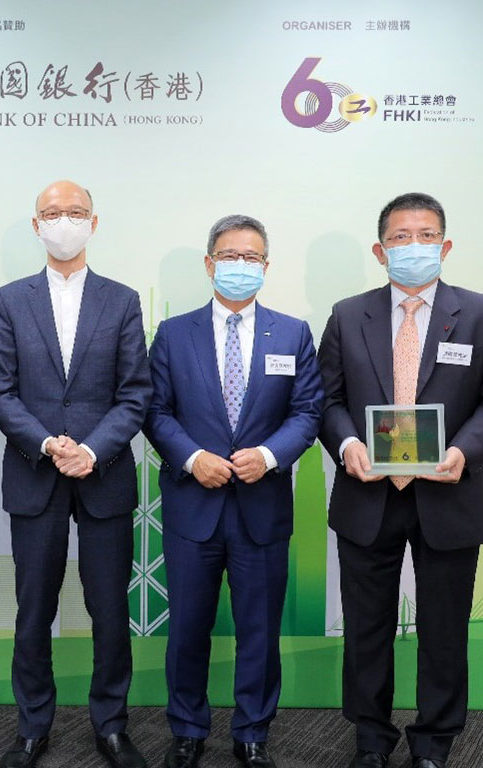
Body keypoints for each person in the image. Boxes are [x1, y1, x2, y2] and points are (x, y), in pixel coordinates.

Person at [318, 193, 483, 768]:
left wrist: (463, 449)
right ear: (381, 250)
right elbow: (326, 401)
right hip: (368, 496)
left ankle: (434, 742)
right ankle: (371, 739)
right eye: (402, 237)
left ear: (446, 245)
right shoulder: (346, 314)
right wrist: (348, 442)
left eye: (427, 235)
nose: (415, 247)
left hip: (448, 495)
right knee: (366, 631)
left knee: (443, 632)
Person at [143, 215, 323, 768]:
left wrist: (268, 456)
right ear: (208, 263)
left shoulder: (292, 333)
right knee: (188, 629)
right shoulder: (173, 334)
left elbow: (308, 410)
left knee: (259, 630)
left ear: (266, 267)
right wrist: (194, 458)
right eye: (229, 255)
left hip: (261, 508)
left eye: (251, 257)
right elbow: (155, 410)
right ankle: (188, 730)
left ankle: (252, 732)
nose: (239, 266)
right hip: (192, 507)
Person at [0, 181, 152, 768]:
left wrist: (91, 449)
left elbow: (135, 394)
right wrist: (47, 442)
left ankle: (110, 723)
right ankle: (33, 724)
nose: (64, 223)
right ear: (36, 225)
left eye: (74, 213)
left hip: (103, 474)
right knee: (33, 608)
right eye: (52, 214)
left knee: (110, 609)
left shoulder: (123, 299)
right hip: (35, 471)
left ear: (94, 222)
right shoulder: (8, 299)